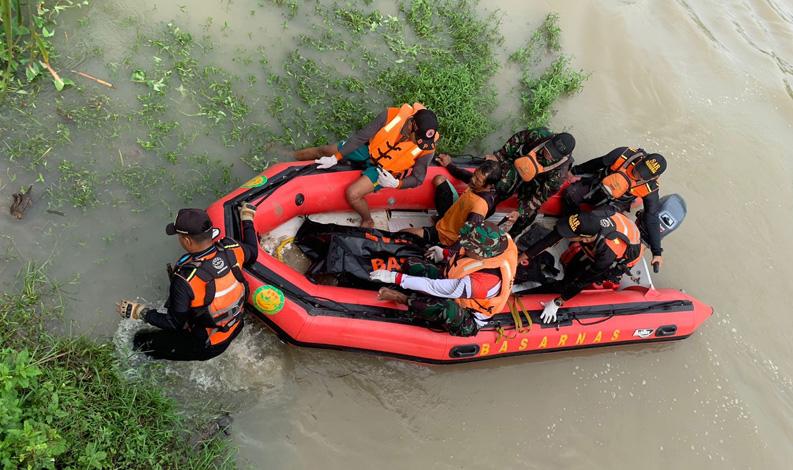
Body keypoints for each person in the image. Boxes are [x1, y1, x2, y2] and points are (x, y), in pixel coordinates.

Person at [116, 205, 258, 361]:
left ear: (187, 240)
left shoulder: (185, 279)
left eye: (179, 236)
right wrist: (247, 219)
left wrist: (139, 312)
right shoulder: (232, 249)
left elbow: (173, 323)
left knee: (140, 341)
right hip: (236, 326)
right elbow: (253, 251)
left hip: (207, 345)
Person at [294, 103, 440, 228]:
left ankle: (367, 220)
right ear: (411, 125)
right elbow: (360, 137)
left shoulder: (427, 148)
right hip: (370, 150)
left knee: (353, 194)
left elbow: (418, 178)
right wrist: (336, 157)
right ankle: (292, 156)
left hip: (385, 172)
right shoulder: (390, 115)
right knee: (325, 151)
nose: (418, 144)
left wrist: (396, 183)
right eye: (418, 138)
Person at [370, 221, 518, 336]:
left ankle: (402, 299)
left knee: (443, 308)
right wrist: (445, 253)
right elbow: (464, 257)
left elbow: (435, 287)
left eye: (468, 246)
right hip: (454, 281)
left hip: (468, 314)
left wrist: (396, 278)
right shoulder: (499, 244)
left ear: (482, 253)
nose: (464, 247)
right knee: (412, 264)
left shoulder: (484, 282)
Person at [521, 209, 643, 324]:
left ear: (584, 239)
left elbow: (583, 281)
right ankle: (560, 284)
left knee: (574, 280)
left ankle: (560, 288)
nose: (564, 234)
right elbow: (551, 238)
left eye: (569, 234)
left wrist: (558, 302)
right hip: (608, 237)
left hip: (618, 259)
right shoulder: (587, 219)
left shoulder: (606, 254)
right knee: (572, 267)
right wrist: (522, 257)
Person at [564, 147, 666, 270]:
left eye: (644, 175)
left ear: (653, 177)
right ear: (642, 159)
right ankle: (571, 222)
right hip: (598, 185)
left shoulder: (651, 188)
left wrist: (657, 252)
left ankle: (581, 238)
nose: (638, 173)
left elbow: (652, 217)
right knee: (570, 194)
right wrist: (574, 171)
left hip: (613, 204)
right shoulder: (625, 154)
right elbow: (598, 162)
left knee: (597, 222)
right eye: (640, 168)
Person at [487, 127, 576, 237]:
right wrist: (499, 156)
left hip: (536, 183)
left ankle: (510, 236)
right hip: (520, 164)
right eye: (548, 149)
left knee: (526, 217)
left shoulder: (559, 174)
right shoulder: (540, 135)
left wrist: (520, 212)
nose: (548, 154)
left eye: (553, 154)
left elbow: (541, 196)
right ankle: (486, 210)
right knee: (501, 187)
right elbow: (519, 138)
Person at [401, 157, 501, 247]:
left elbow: (467, 237)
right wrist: (448, 164)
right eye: (475, 174)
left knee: (403, 234)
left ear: (489, 185)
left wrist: (447, 253)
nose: (473, 179)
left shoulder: (479, 206)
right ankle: (440, 217)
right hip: (451, 215)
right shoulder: (477, 183)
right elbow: (463, 174)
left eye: (478, 179)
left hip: (445, 236)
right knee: (439, 180)